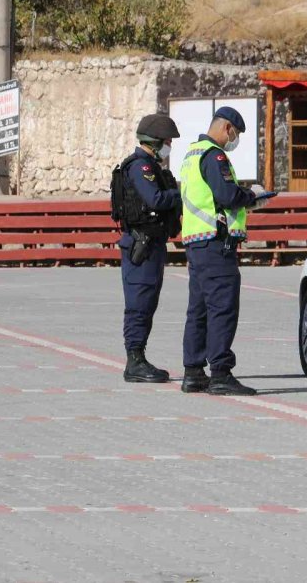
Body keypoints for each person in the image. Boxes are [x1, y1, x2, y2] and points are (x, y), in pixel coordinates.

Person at [179, 107, 272, 396]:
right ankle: (220, 373)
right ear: (227, 128)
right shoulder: (214, 156)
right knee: (222, 308)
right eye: (236, 134)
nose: (235, 140)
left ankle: (193, 372)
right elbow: (227, 195)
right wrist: (253, 196)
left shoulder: (191, 154)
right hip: (216, 244)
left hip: (196, 242)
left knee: (199, 310)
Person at [113, 114, 182, 383]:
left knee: (147, 303)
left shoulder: (151, 166)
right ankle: (134, 361)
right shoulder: (140, 166)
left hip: (151, 244)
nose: (169, 146)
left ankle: (139, 357)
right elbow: (154, 199)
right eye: (167, 141)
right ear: (154, 141)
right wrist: (181, 193)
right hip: (140, 245)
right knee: (139, 304)